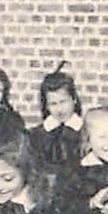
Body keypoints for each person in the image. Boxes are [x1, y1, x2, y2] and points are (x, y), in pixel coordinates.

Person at [27, 63, 84, 201]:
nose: (59, 109)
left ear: (74, 100)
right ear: (46, 106)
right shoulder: (38, 134)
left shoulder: (84, 131)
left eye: (63, 102)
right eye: (53, 104)